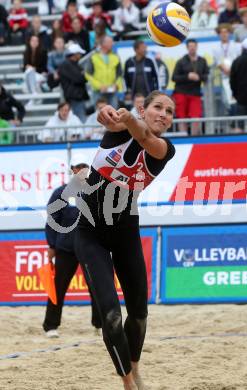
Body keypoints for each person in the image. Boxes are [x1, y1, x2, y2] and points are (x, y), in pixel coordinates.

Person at [74, 91, 176, 390]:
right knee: (111, 315)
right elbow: (112, 118)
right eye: (158, 107)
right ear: (144, 109)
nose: (163, 115)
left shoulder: (165, 149)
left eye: (169, 112)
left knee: (140, 314)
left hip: (125, 231)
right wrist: (105, 111)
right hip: (90, 232)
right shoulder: (119, 129)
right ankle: (128, 382)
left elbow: (145, 139)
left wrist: (129, 116)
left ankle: (135, 365)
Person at [43, 159, 102, 338]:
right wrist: (52, 245)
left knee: (97, 287)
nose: (82, 172)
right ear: (73, 171)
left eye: (85, 169)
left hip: (89, 248)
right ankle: (51, 326)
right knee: (58, 287)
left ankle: (99, 324)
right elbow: (52, 220)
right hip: (65, 248)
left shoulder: (94, 192)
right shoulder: (61, 193)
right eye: (78, 168)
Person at [172, 38, 209, 135]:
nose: (192, 48)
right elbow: (174, 77)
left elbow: (207, 75)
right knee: (181, 117)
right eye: (190, 46)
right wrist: (187, 76)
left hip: (195, 93)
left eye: (194, 46)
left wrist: (199, 77)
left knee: (195, 116)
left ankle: (194, 137)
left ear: (197, 47)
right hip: (181, 92)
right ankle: (183, 136)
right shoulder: (181, 61)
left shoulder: (202, 61)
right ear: (187, 48)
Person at [85, 35, 123, 108]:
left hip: (112, 91)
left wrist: (116, 85)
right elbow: (88, 74)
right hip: (98, 92)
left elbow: (120, 74)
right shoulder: (93, 57)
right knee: (99, 115)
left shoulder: (115, 56)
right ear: (103, 44)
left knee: (113, 115)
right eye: (110, 42)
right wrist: (99, 86)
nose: (112, 44)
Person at [213, 24, 241, 114]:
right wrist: (225, 70)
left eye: (226, 32)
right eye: (222, 32)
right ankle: (232, 119)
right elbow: (218, 62)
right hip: (224, 77)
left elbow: (238, 59)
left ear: (229, 33)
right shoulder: (216, 48)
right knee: (227, 100)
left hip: (236, 76)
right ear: (219, 34)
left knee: (237, 98)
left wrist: (233, 71)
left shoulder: (236, 45)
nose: (224, 34)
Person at [59, 43, 88, 123]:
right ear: (75, 54)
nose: (80, 55)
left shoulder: (71, 64)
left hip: (76, 96)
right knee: (79, 120)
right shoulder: (67, 65)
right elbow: (80, 78)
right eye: (79, 53)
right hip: (75, 97)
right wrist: (83, 75)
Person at [23, 35, 48, 104]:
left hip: (40, 74)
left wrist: (34, 68)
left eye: (36, 41)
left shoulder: (43, 52)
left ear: (39, 42)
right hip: (29, 74)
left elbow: (44, 68)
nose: (34, 42)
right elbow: (24, 66)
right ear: (29, 42)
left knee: (32, 79)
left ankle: (33, 98)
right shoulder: (26, 52)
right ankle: (36, 97)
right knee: (29, 72)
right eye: (32, 40)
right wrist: (27, 67)